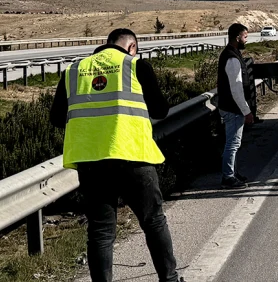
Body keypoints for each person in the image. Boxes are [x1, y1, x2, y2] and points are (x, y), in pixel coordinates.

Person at [50, 28, 181, 282]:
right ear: (132, 47)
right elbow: (161, 110)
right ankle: (170, 279)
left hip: (92, 163)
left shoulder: (74, 71)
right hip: (133, 156)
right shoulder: (136, 66)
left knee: (100, 232)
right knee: (153, 221)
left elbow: (56, 119)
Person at [216, 23, 255, 189]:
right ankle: (228, 176)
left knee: (234, 143)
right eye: (245, 36)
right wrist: (246, 111)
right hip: (233, 108)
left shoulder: (232, 54)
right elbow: (236, 88)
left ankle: (232, 171)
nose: (246, 40)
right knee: (232, 143)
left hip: (231, 107)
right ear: (238, 37)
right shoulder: (232, 58)